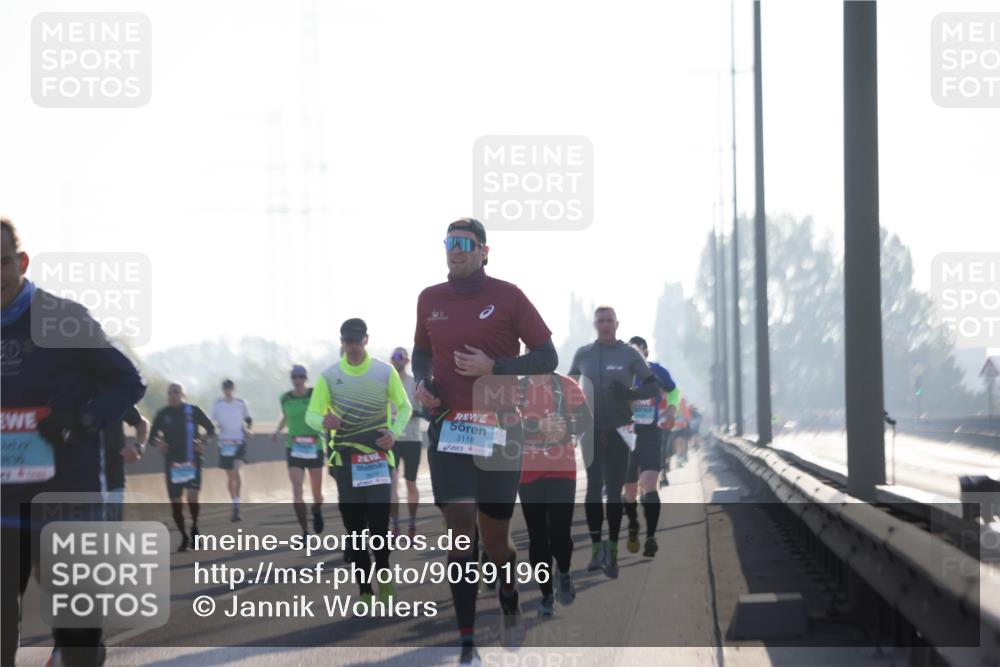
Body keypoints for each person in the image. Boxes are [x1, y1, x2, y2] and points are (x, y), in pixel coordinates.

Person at [1, 218, 147, 667]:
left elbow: (127, 382)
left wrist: (81, 419)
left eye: (2, 262)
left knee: (80, 638)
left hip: (68, 494)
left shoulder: (63, 318)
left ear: (21, 262)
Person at [412, 218, 557, 665]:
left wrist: (496, 368)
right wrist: (422, 383)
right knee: (459, 533)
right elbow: (420, 352)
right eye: (448, 243)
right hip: (449, 430)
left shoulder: (508, 296)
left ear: (483, 250)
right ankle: (468, 644)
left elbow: (547, 357)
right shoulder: (429, 299)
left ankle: (509, 593)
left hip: (499, 432)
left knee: (496, 540)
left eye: (463, 244)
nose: (454, 251)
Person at [306, 319, 412, 605]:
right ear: (342, 342)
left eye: (356, 340)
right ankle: (364, 589)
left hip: (378, 460)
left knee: (378, 528)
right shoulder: (329, 376)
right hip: (346, 464)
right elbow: (311, 415)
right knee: (354, 531)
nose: (352, 347)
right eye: (347, 342)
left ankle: (384, 574)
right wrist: (323, 420)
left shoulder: (384, 371)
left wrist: (394, 432)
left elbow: (405, 407)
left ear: (366, 340)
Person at [569, 306, 658, 579]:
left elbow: (653, 386)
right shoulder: (583, 353)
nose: (605, 325)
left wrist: (631, 392)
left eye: (609, 321)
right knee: (593, 489)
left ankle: (613, 551)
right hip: (592, 431)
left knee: (615, 491)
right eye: (601, 321)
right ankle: (597, 550)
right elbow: (569, 386)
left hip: (620, 430)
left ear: (617, 324)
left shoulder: (629, 354)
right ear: (595, 324)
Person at [517, 372, 591, 616]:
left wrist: (563, 426)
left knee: (560, 533)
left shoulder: (565, 385)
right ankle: (547, 595)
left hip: (562, 468)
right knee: (538, 538)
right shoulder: (518, 388)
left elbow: (586, 420)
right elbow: (506, 423)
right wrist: (537, 426)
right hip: (528, 471)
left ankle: (565, 571)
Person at [622, 336, 679, 558]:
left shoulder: (656, 371)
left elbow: (673, 390)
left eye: (639, 352)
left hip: (650, 433)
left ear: (646, 352)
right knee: (629, 490)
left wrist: (672, 409)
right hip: (626, 435)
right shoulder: (622, 373)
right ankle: (634, 524)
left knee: (649, 483)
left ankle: (651, 537)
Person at [150, 383, 215, 551]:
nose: (173, 395)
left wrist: (203, 442)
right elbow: (151, 437)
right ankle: (184, 536)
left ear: (183, 395)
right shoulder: (163, 414)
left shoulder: (193, 411)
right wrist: (159, 444)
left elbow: (211, 429)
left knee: (192, 498)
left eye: (176, 392)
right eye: (170, 392)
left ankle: (194, 527)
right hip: (173, 464)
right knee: (176, 504)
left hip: (192, 461)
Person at [272, 365, 325, 537]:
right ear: (292, 379)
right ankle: (304, 531)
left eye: (301, 377)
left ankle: (316, 510)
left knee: (317, 494)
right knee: (297, 489)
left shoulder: (314, 394)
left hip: (314, 446)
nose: (298, 380)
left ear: (305, 378)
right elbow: (286, 417)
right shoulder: (285, 398)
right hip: (294, 448)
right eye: (295, 377)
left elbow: (325, 413)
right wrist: (278, 431)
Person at [388, 346, 424, 539]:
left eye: (400, 357)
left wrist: (411, 413)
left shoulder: (414, 383)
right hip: (392, 440)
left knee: (410, 483)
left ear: (407, 361)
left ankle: (411, 523)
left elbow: (425, 410)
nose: (397, 360)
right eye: (394, 357)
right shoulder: (386, 384)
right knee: (392, 483)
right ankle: (395, 525)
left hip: (412, 439)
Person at [211, 379, 252, 522]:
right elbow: (212, 421)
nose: (227, 390)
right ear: (222, 389)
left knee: (236, 470)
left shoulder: (241, 403)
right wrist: (215, 429)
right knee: (229, 476)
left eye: (229, 387)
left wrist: (247, 429)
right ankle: (233, 501)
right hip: (224, 443)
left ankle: (237, 505)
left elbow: (248, 419)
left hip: (239, 441)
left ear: (233, 389)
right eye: (225, 388)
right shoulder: (218, 404)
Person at [101, 405, 149, 518]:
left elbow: (141, 423)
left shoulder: (115, 396)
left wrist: (138, 448)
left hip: (114, 477)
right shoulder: (73, 394)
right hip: (83, 481)